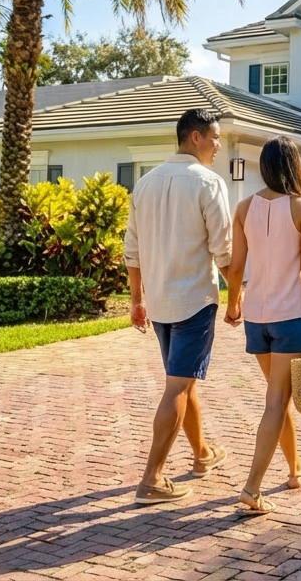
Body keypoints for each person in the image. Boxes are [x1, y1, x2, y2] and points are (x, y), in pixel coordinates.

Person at [125, 109, 232, 505]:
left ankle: (202, 454)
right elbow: (224, 250)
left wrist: (137, 300)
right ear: (195, 137)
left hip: (160, 303)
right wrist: (238, 297)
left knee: (182, 380)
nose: (219, 145)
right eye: (215, 137)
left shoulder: (146, 183)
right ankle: (151, 479)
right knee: (178, 386)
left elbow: (131, 251)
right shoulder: (208, 182)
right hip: (194, 302)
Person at [223, 135, 301, 515]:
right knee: (276, 401)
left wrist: (233, 303)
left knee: (277, 399)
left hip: (257, 317)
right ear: (295, 164)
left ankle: (296, 469)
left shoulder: (243, 207)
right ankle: (252, 488)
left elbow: (236, 267)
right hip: (291, 317)